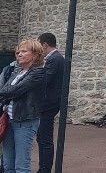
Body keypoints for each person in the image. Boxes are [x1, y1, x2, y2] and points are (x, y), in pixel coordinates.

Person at [0, 39, 46, 173]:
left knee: (21, 165)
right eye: (18, 52)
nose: (19, 54)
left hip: (25, 121)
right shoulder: (17, 71)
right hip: (8, 120)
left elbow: (14, 90)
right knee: (8, 165)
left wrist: (7, 92)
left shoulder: (38, 73)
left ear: (36, 54)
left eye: (24, 51)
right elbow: (6, 89)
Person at [36, 33, 65, 173]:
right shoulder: (54, 58)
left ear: (45, 44)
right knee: (41, 137)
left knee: (45, 139)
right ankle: (43, 167)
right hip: (47, 103)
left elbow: (45, 79)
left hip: (48, 104)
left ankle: (45, 169)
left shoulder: (54, 59)